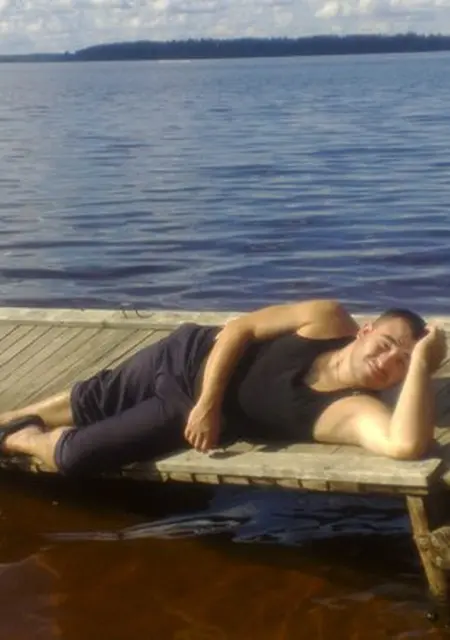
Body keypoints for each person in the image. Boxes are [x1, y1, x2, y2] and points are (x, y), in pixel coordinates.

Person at [0, 299, 446, 476]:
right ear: (365, 331)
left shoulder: (351, 409)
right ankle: (10, 418)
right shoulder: (327, 318)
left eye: (402, 364)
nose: (386, 362)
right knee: (92, 398)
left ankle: (18, 438)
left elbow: (406, 444)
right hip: (186, 354)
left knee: (75, 456)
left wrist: (423, 361)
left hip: (179, 414)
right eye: (385, 345)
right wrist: (209, 404)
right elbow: (239, 329)